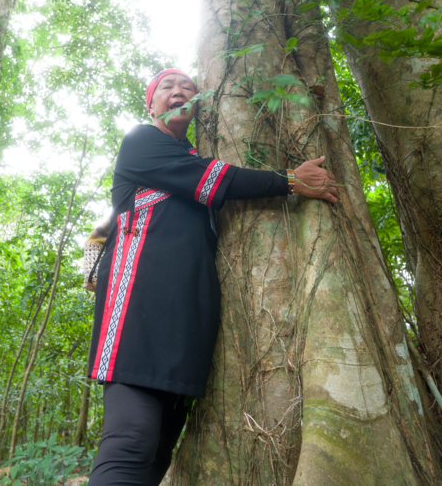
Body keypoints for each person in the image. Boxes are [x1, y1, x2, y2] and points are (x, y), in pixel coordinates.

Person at [85, 68, 340, 486]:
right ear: (150, 104)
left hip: (186, 324)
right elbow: (217, 178)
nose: (178, 91)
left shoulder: (186, 157)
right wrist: (291, 180)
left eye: (188, 88)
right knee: (131, 443)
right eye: (167, 87)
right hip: (136, 312)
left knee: (158, 453)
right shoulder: (142, 141)